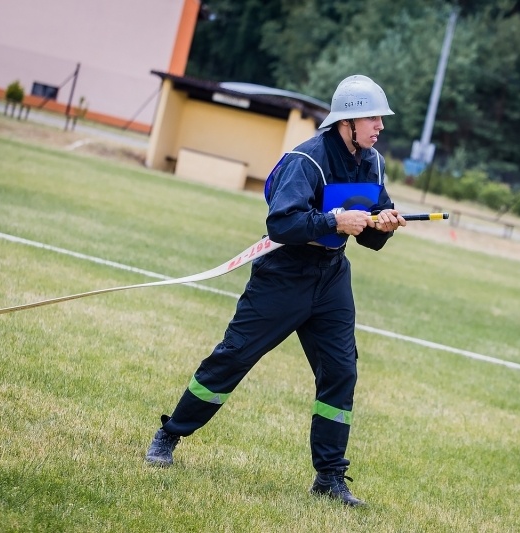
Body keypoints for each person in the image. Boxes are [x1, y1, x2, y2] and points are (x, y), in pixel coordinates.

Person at [144, 74, 406, 507]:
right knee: (234, 357)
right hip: (284, 275)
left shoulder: (372, 163)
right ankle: (169, 434)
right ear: (349, 120)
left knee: (341, 372)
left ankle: (329, 477)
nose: (380, 126)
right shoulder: (308, 160)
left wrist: (384, 225)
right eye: (374, 118)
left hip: (332, 278)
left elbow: (370, 236)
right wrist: (335, 221)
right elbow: (281, 223)